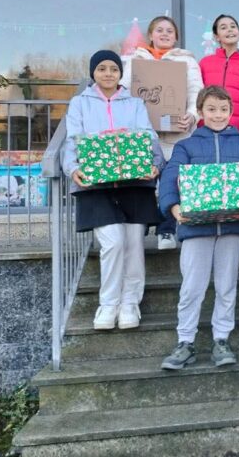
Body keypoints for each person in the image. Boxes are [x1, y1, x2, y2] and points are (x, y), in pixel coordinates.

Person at [158, 85, 239, 370]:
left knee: (227, 286)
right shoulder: (186, 146)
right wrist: (173, 206)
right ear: (201, 112)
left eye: (224, 110)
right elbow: (170, 176)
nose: (218, 115)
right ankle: (185, 342)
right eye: (212, 109)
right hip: (195, 228)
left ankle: (221, 339)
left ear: (232, 112)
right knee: (192, 287)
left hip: (233, 228)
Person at [62, 50, 163, 331]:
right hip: (96, 185)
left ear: (120, 73)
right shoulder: (80, 103)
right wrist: (72, 168)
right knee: (113, 243)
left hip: (134, 183)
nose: (108, 73)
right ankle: (108, 303)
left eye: (114, 69)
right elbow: (72, 139)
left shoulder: (134, 103)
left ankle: (130, 303)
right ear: (93, 72)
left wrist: (155, 164)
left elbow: (148, 135)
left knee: (134, 245)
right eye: (102, 68)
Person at [121, 15, 203, 251]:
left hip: (177, 135)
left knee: (171, 182)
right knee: (143, 182)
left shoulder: (187, 61)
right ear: (151, 35)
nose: (165, 34)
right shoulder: (136, 60)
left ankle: (166, 229)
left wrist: (192, 115)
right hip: (143, 134)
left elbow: (196, 91)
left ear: (176, 37)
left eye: (169, 31)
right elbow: (124, 91)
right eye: (159, 30)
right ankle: (141, 225)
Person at [199, 14, 239, 133]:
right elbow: (198, 96)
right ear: (216, 36)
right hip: (206, 129)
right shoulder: (205, 63)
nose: (229, 29)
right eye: (223, 27)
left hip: (234, 130)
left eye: (233, 26)